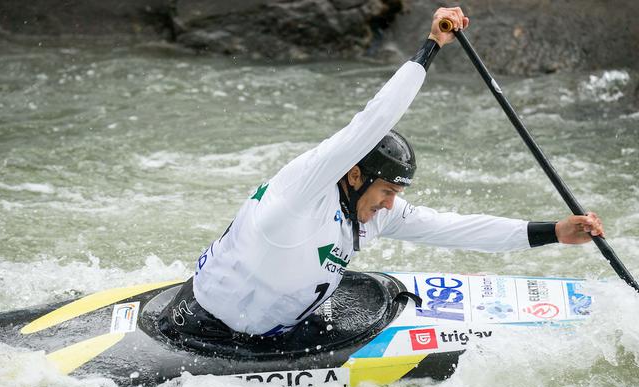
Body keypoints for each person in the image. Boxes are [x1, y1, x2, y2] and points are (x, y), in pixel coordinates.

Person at [158, 7, 605, 341]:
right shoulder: (302, 191)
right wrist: (430, 48)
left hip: (279, 321)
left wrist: (556, 232)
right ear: (354, 175)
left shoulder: (374, 210)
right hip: (204, 329)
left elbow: (455, 228)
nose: (391, 203)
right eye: (387, 190)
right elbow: (371, 122)